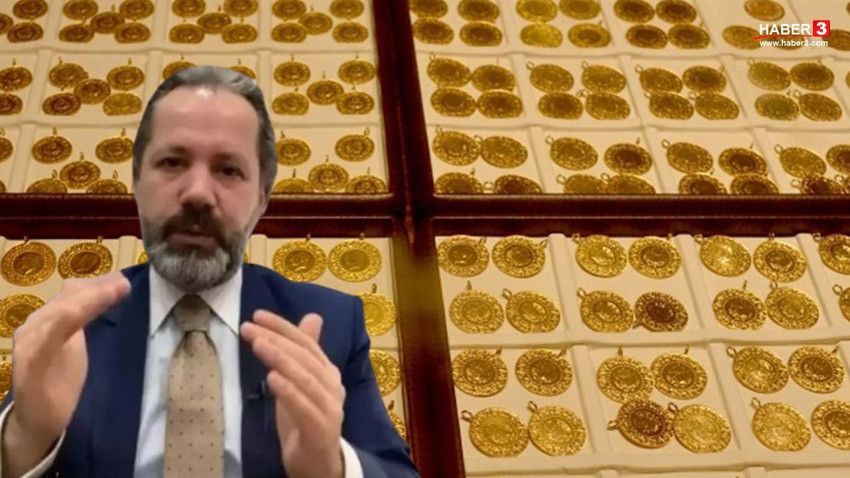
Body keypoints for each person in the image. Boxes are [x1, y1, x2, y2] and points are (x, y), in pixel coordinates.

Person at [0, 66, 419, 478]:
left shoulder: (330, 326)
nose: (198, 193)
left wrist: (329, 467)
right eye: (172, 162)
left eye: (228, 170)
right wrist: (25, 437)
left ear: (262, 198)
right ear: (136, 181)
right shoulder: (74, 326)